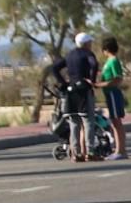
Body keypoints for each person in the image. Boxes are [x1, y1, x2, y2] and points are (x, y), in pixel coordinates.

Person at [52, 32, 101, 162]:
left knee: (74, 123)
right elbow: (94, 64)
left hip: (71, 91)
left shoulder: (69, 55)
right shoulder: (88, 54)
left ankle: (76, 153)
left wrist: (64, 83)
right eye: (90, 43)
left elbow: (55, 68)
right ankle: (90, 152)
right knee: (88, 121)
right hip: (84, 90)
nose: (91, 45)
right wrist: (92, 80)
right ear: (86, 43)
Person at [93, 36, 127, 159]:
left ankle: (121, 150)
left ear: (106, 49)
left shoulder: (114, 61)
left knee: (117, 122)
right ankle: (118, 149)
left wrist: (100, 84)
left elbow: (118, 78)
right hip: (109, 94)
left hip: (113, 93)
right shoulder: (108, 62)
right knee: (114, 122)